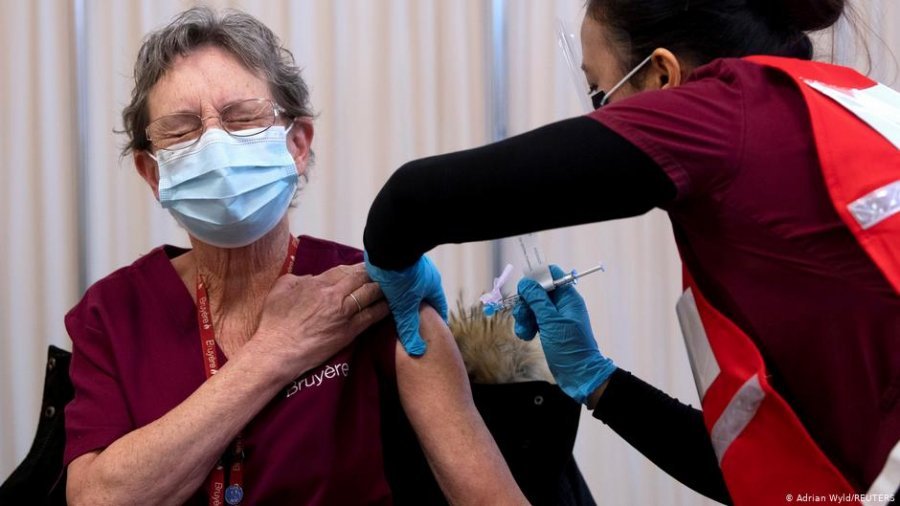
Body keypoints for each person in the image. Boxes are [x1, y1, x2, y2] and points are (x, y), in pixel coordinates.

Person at [363, 0, 900, 503]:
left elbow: (411, 202)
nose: (599, 118)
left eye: (599, 94)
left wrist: (395, 264)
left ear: (663, 77)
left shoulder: (723, 112)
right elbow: (767, 475)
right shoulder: (858, 105)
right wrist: (599, 381)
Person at [63, 7, 526, 505]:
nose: (215, 147)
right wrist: (274, 352)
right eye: (182, 131)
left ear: (297, 145)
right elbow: (95, 499)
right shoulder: (113, 314)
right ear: (153, 174)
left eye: (242, 118)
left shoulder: (376, 297)